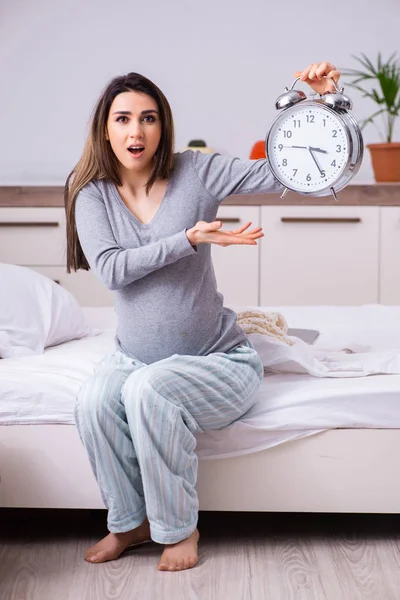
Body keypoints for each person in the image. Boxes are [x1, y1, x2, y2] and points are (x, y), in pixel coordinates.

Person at [65, 62, 341, 572]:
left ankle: (177, 527)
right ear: (105, 127)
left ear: (162, 125)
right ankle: (128, 522)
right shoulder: (92, 192)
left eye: (148, 118)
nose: (136, 131)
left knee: (149, 390)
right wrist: (188, 238)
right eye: (123, 118)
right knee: (93, 401)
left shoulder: (196, 170)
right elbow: (111, 270)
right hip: (132, 358)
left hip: (218, 361)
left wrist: (321, 105)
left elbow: (283, 169)